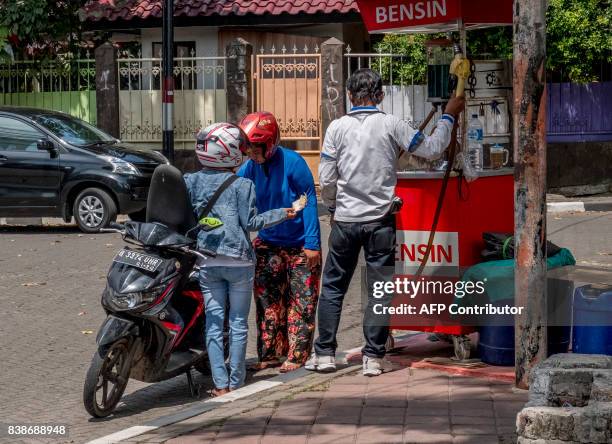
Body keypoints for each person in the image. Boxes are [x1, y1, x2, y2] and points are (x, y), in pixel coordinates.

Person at [306, 68, 465, 376]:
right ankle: (373, 358)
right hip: (380, 222)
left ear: (351, 96)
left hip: (344, 222)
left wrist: (334, 205)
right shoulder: (392, 124)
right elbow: (433, 149)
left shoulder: (336, 128)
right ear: (379, 95)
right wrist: (447, 116)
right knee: (380, 290)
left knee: (333, 288)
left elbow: (326, 178)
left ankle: (324, 354)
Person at [184, 123, 296, 396]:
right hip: (240, 263)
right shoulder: (243, 184)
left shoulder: (190, 181)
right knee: (237, 323)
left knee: (213, 323)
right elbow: (252, 222)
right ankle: (236, 382)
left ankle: (220, 384)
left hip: (208, 261)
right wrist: (285, 212)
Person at [237, 111, 322, 373]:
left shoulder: (293, 163)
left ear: (270, 142)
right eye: (248, 147)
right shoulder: (249, 167)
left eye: (255, 147)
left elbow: (308, 201)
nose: (251, 152)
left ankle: (297, 355)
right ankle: (270, 353)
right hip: (268, 243)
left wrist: (313, 243)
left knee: (301, 302)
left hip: (299, 245)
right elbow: (234, 191)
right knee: (267, 302)